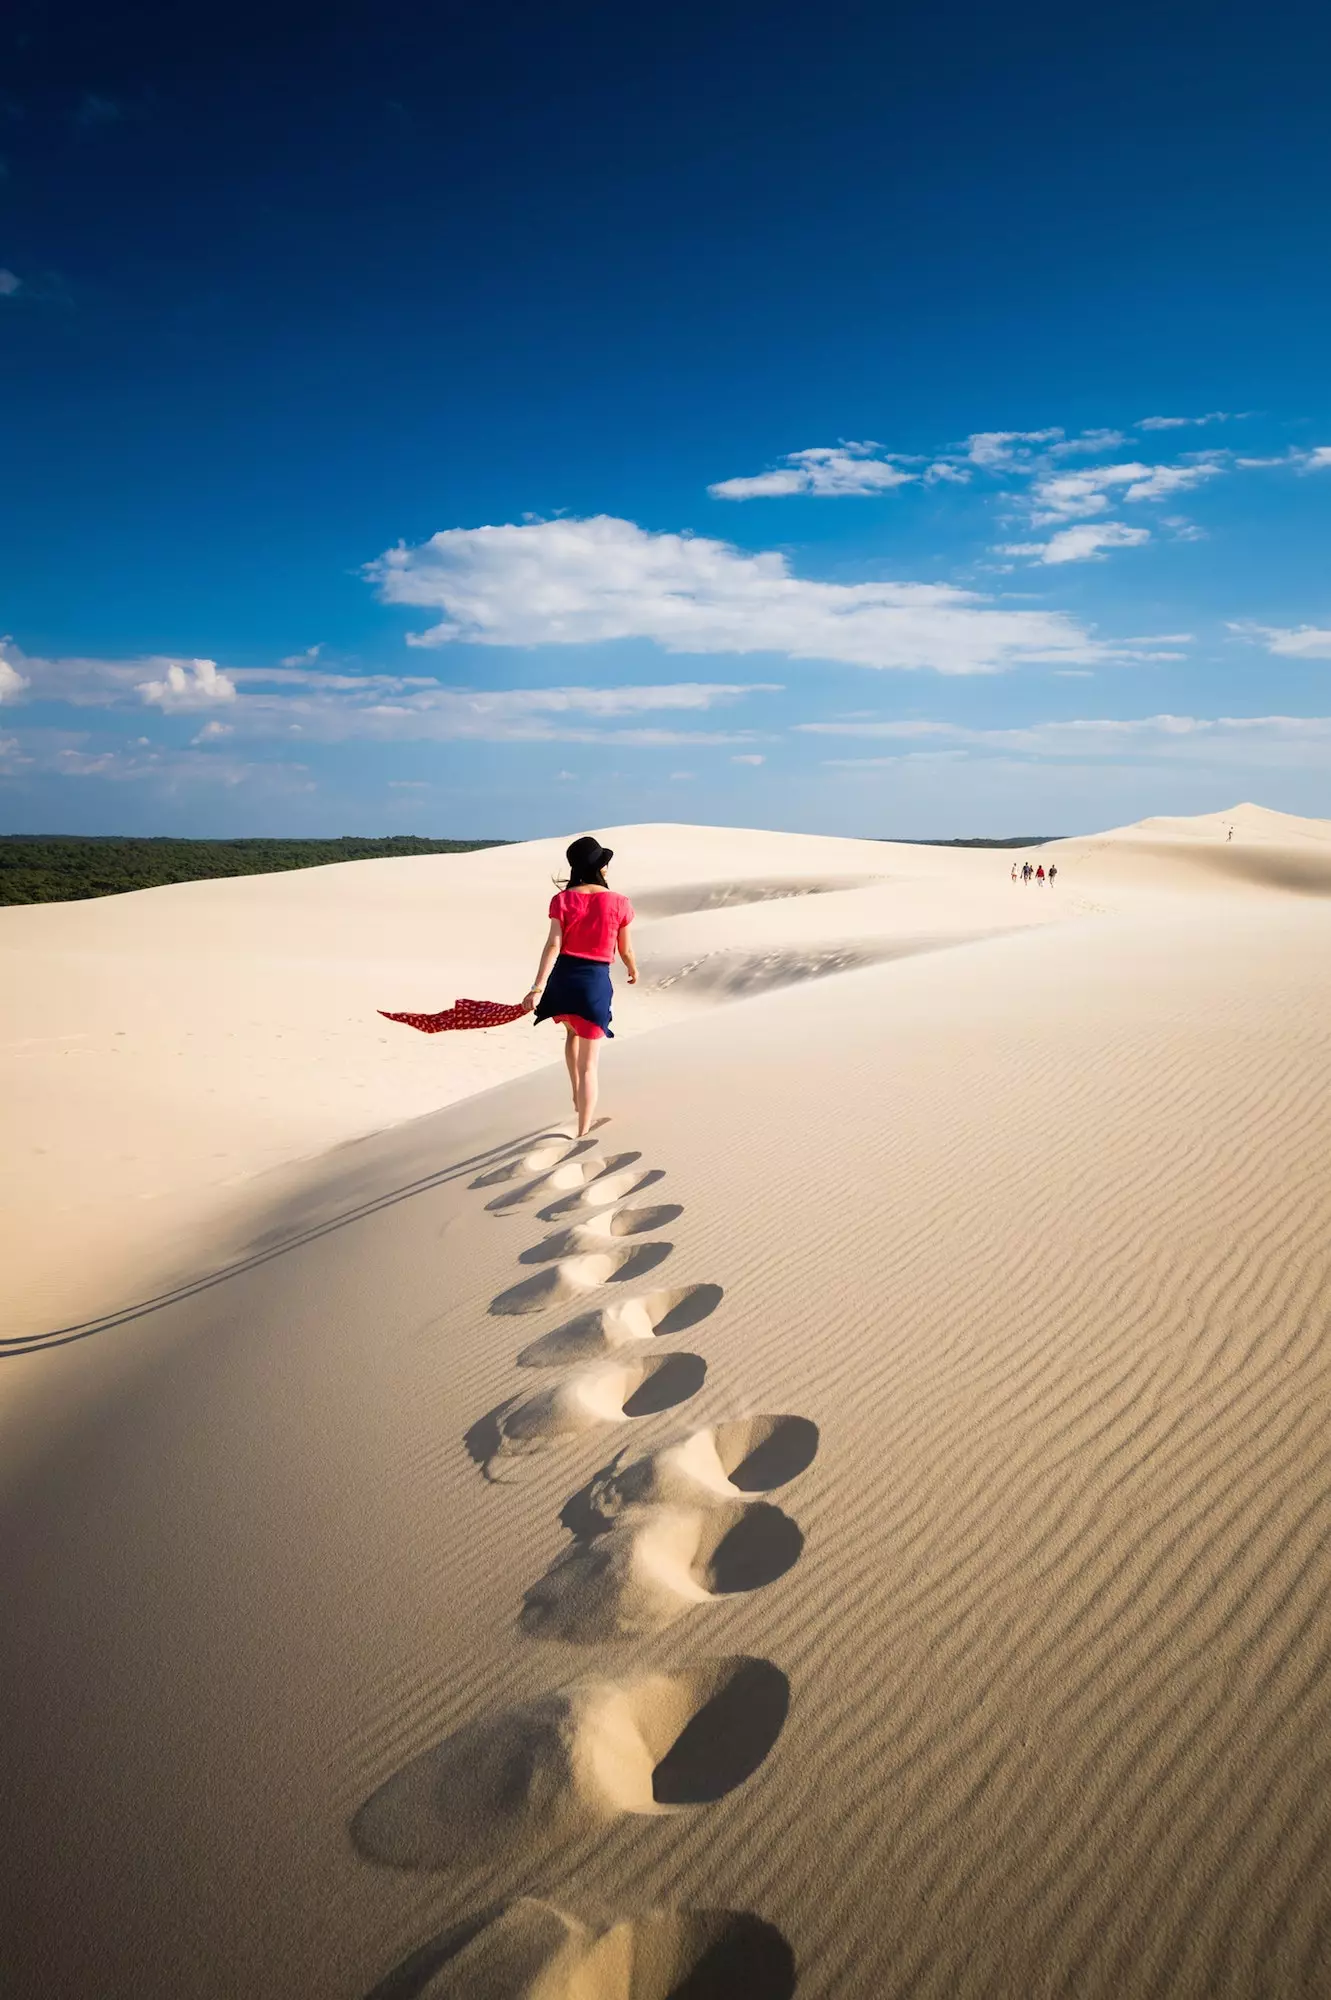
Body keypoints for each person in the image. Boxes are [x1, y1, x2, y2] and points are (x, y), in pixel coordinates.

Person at [523, 835, 637, 1137]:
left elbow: (553, 944)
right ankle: (583, 1129)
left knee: (571, 1032)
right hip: (594, 982)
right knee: (590, 1065)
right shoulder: (619, 902)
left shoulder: (562, 900)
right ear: (601, 867)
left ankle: (575, 1093)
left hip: (563, 979)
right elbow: (625, 950)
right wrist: (632, 968)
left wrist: (537, 987)